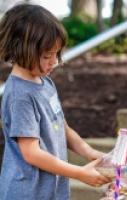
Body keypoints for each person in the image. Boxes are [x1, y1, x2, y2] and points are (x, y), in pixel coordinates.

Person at [0, 3, 111, 200]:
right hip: (27, 193)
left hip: (51, 190)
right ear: (19, 50)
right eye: (46, 56)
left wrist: (90, 153)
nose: (55, 62)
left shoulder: (45, 82)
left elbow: (63, 128)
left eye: (56, 54)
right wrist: (79, 173)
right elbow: (31, 153)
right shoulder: (20, 96)